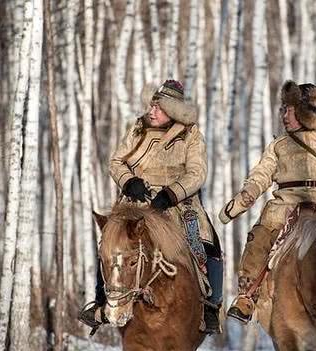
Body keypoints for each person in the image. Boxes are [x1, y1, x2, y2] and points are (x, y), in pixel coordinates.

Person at [79, 80, 223, 334]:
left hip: (177, 203)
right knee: (110, 243)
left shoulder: (191, 135)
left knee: (208, 243)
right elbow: (116, 162)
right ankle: (101, 303)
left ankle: (210, 307)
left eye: (159, 107)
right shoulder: (137, 129)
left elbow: (197, 173)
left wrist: (171, 194)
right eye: (152, 105)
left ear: (175, 111)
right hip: (136, 202)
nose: (152, 111)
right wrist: (129, 181)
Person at [219, 81, 316, 323]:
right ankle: (247, 296)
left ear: (305, 110)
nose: (284, 115)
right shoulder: (279, 144)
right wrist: (247, 195)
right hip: (284, 208)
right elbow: (261, 174)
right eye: (283, 109)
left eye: (290, 109)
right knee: (259, 238)